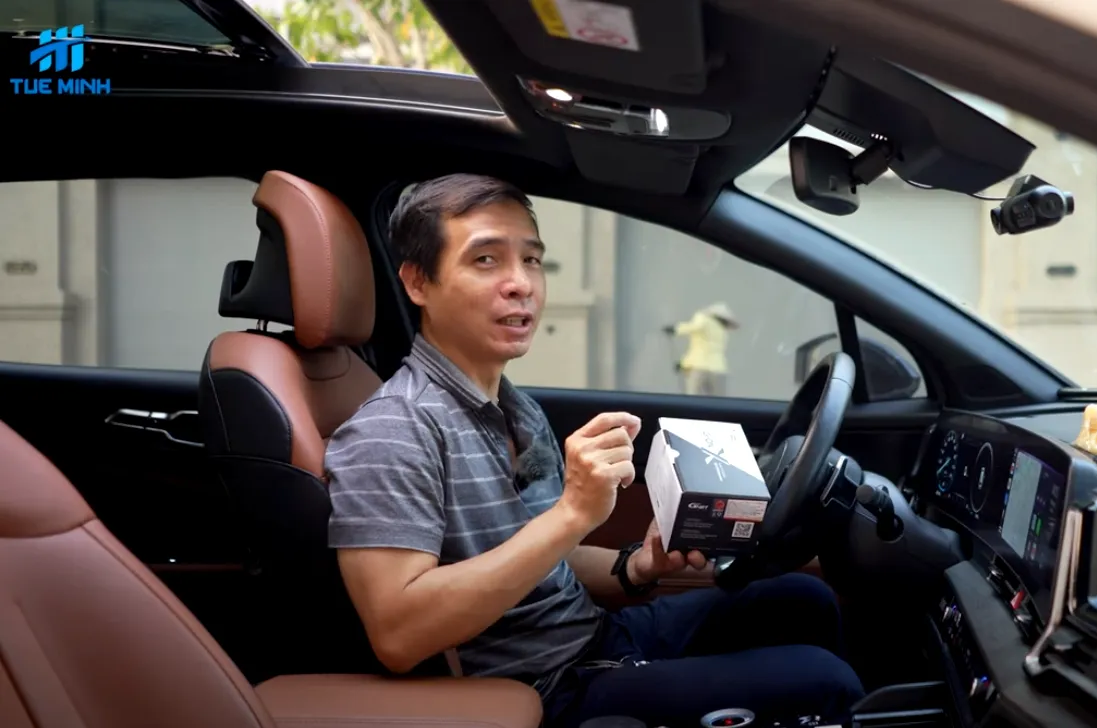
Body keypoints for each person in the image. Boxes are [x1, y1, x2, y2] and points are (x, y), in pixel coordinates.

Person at [324, 173, 864, 728]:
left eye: (532, 260)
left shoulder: (515, 406)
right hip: (540, 690)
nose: (521, 284)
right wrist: (573, 514)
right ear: (418, 282)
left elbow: (546, 560)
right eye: (485, 260)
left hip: (596, 638)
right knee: (826, 683)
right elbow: (399, 635)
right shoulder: (390, 430)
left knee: (802, 599)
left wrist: (637, 565)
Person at [665, 302, 739, 397]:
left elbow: (693, 329)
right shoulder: (723, 332)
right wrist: (683, 363)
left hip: (699, 369)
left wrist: (675, 329)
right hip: (719, 370)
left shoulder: (704, 319)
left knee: (693, 400)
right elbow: (708, 350)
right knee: (719, 402)